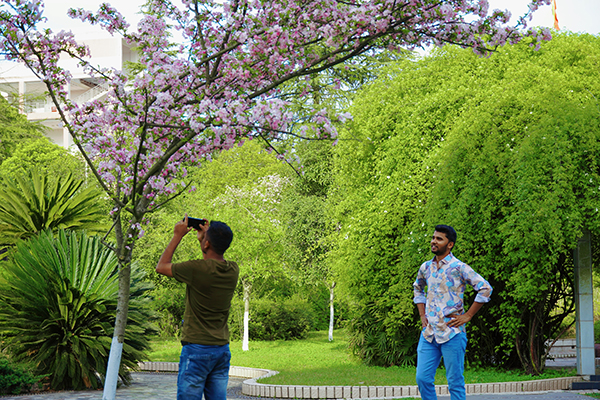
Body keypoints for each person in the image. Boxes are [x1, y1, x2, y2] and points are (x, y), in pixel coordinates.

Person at [156, 215, 239, 400]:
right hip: (221, 349)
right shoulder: (233, 269)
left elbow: (161, 267)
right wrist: (204, 240)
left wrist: (178, 235)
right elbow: (210, 262)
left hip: (196, 350)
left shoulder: (196, 269)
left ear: (208, 244)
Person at [413, 225, 492, 400]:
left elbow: (485, 288)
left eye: (439, 239)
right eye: (433, 238)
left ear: (450, 244)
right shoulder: (426, 267)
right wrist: (422, 315)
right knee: (422, 378)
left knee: (455, 382)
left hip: (453, 333)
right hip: (429, 334)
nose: (434, 241)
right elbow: (418, 289)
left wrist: (468, 316)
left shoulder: (459, 267)